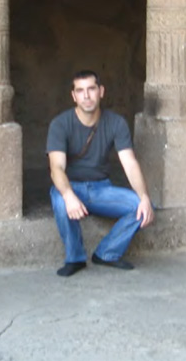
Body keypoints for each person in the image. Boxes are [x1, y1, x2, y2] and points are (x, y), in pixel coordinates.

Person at [46, 70, 155, 277]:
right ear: (73, 96)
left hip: (100, 188)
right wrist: (68, 196)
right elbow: (56, 168)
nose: (86, 96)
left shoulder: (116, 122)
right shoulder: (60, 124)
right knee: (60, 202)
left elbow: (130, 163)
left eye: (91, 89)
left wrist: (144, 197)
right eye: (80, 91)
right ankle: (75, 258)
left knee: (141, 206)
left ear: (101, 91)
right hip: (70, 186)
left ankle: (107, 253)